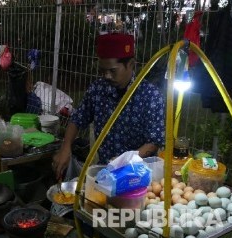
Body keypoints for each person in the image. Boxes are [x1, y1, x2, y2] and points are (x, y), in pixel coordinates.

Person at [52, 33, 165, 180]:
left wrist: (124, 162)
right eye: (103, 71)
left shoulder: (150, 96)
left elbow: (153, 143)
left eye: (112, 71)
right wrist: (65, 148)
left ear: (130, 64)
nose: (107, 76)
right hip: (105, 172)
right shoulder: (98, 89)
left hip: (138, 175)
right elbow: (77, 120)